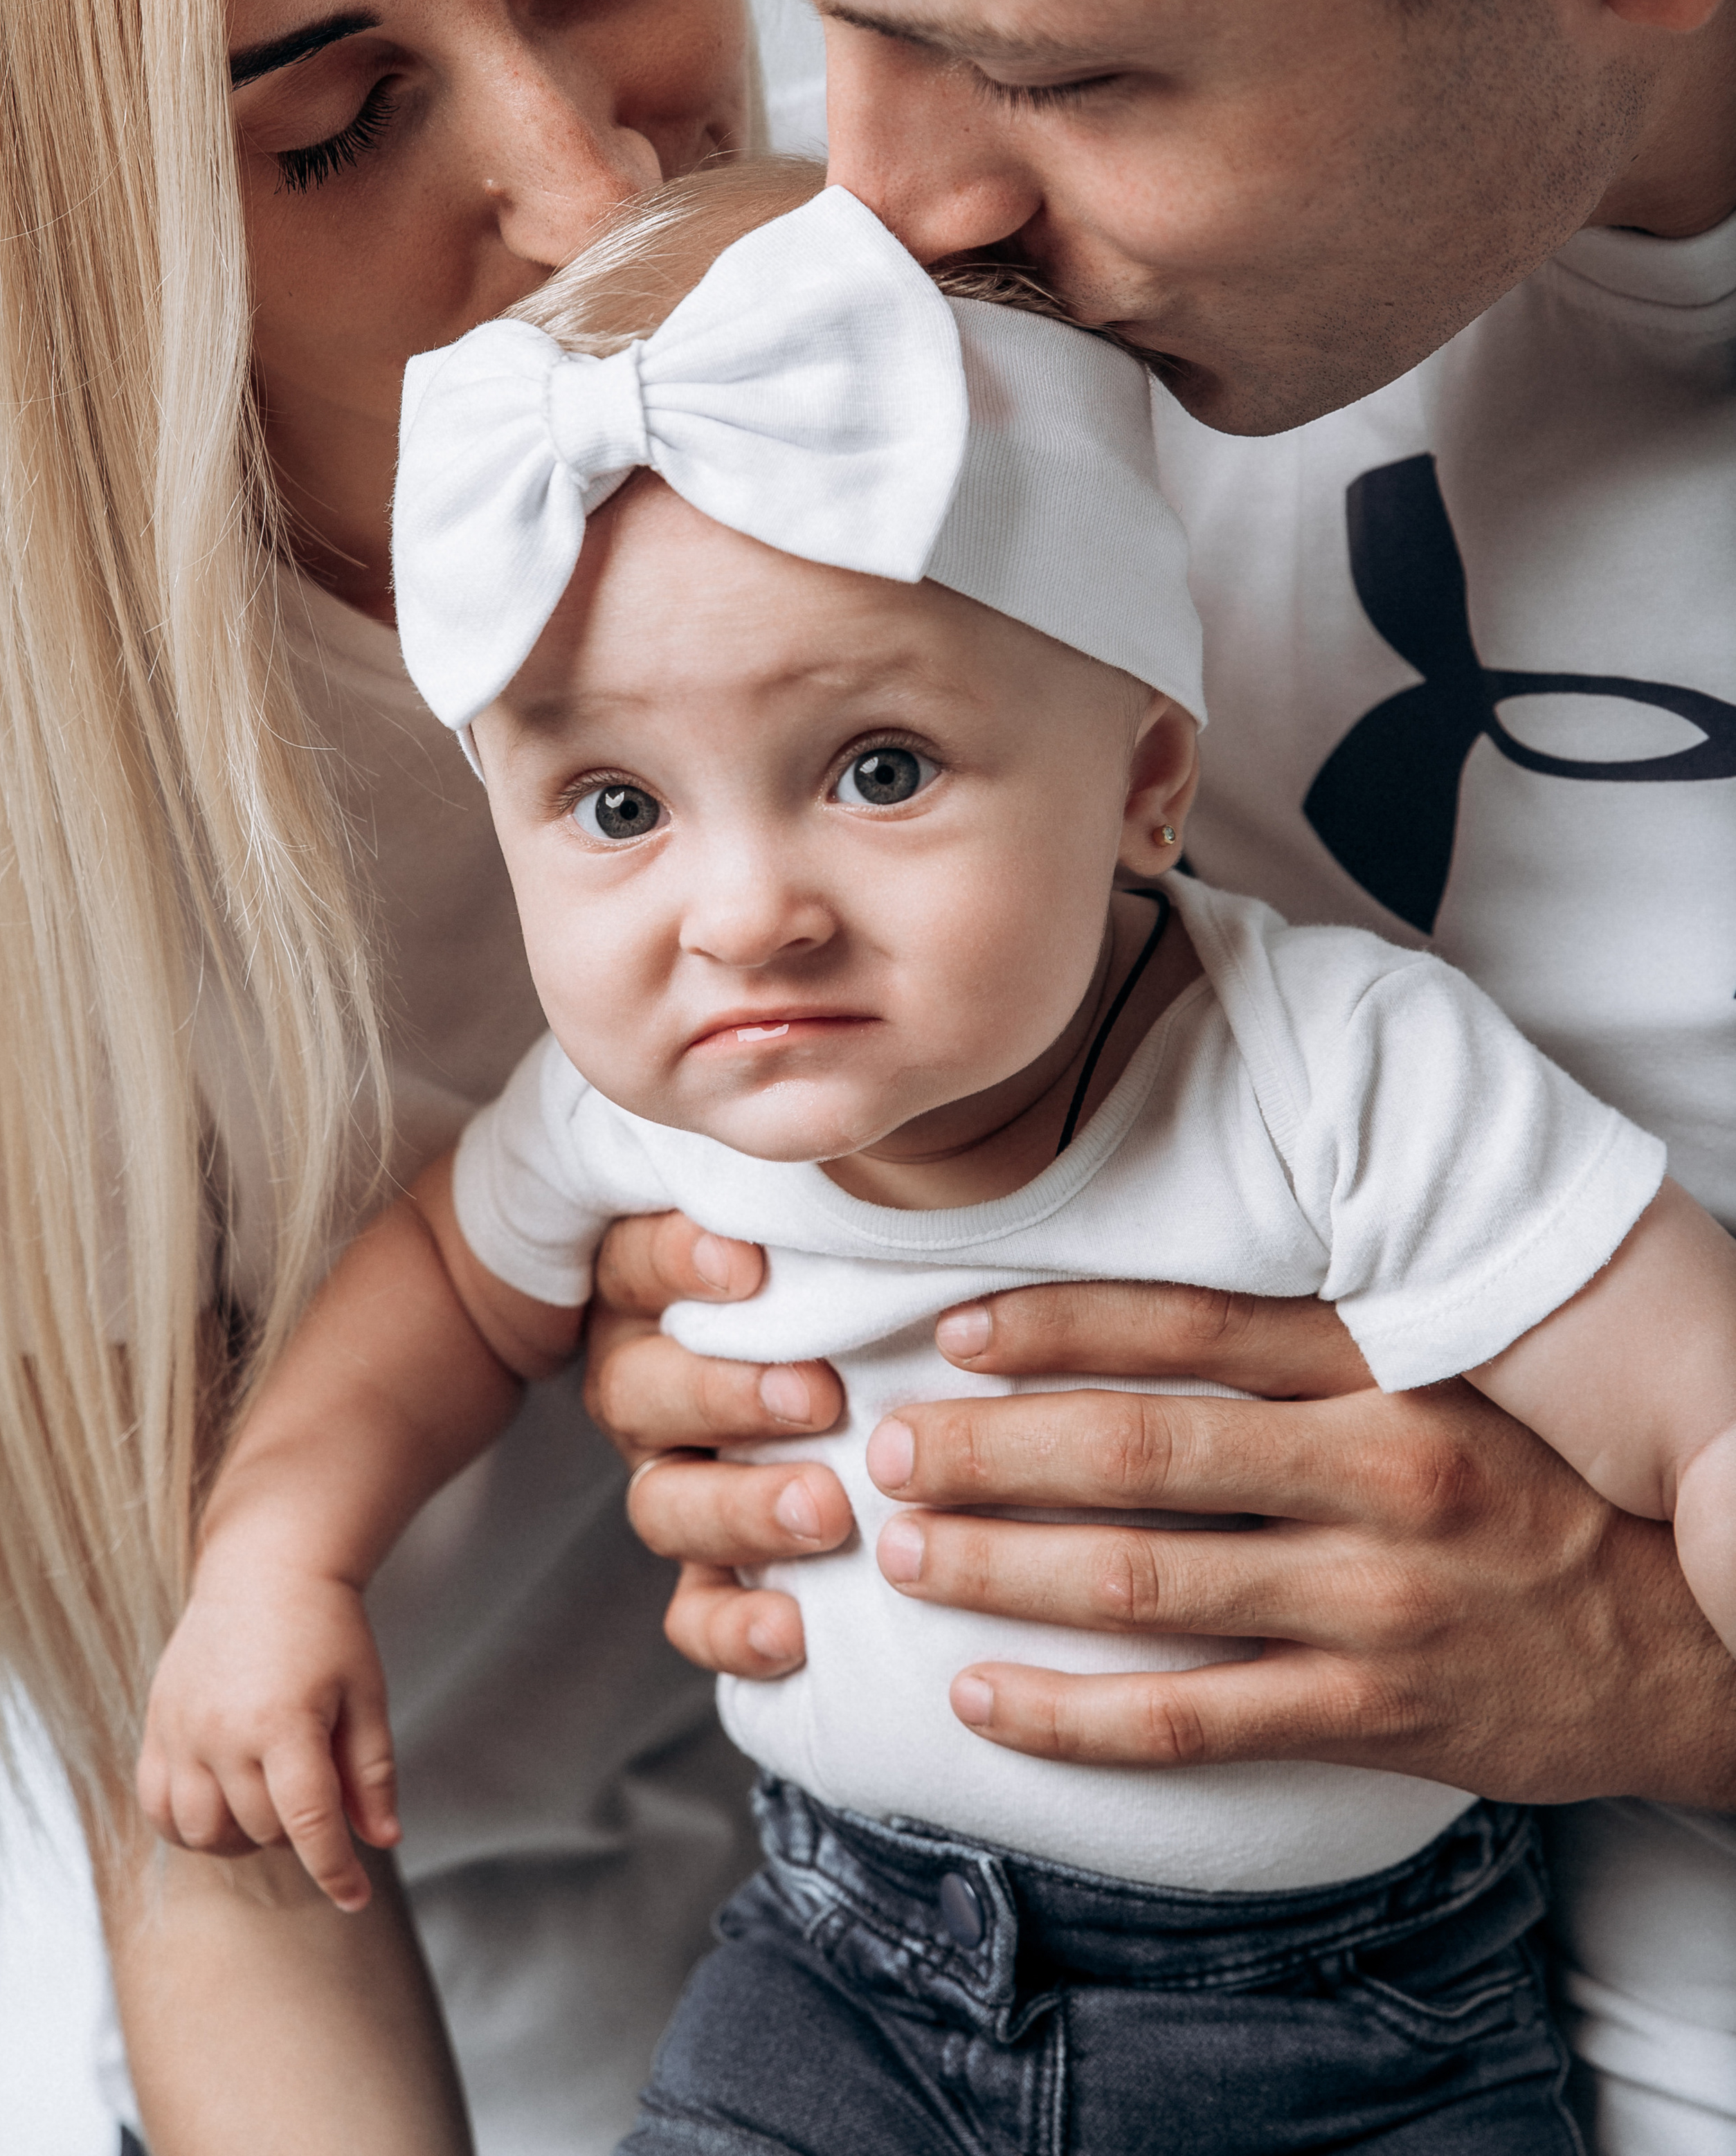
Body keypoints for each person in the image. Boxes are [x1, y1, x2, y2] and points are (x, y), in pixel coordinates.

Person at [137, 163, 1735, 2153]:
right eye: (616, 802)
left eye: (878, 770)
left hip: (1348, 2037)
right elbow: (443, 1289)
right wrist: (279, 1552)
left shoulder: (1334, 1071)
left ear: (1148, 782)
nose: (743, 914)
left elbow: (1698, 1404)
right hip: (845, 1974)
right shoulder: (635, 1113)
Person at [584, 0, 1736, 2147]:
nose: (887, 213)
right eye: (823, 11)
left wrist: (1671, 1670)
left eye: (1059, 71)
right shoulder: (949, 360)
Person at [0, 0, 781, 2147]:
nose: (591, 186)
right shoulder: (63, 889)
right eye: (331, 127)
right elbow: (209, 1853)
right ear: (92, 260)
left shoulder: (968, 362)